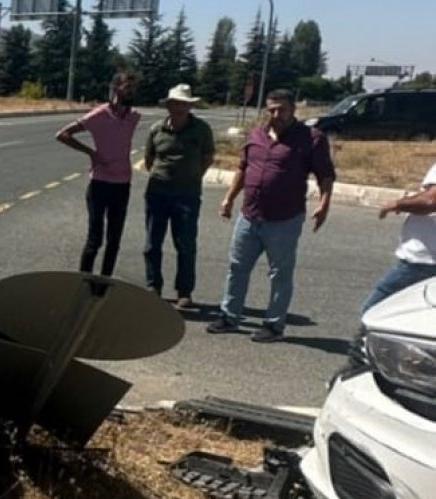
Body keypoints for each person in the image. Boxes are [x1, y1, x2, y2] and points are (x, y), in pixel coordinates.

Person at [208, 89, 336, 343]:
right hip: (249, 215)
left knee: (280, 273)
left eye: (282, 109)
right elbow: (243, 169)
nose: (276, 114)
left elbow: (325, 175)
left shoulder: (311, 138)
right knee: (237, 267)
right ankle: (229, 316)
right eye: (271, 109)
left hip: (284, 219)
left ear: (293, 110)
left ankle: (274, 325)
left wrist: (324, 204)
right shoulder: (256, 134)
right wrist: (229, 198)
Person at [55, 72, 141, 277]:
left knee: (114, 239)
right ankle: (83, 280)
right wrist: (90, 152)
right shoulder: (99, 114)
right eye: (127, 87)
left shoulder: (134, 116)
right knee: (95, 237)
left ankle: (104, 283)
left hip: (122, 184)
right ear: (116, 88)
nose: (131, 91)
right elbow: (62, 135)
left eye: (134, 88)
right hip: (100, 183)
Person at [142, 83, 215, 309]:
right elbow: (149, 160)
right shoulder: (156, 129)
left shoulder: (201, 129)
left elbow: (208, 157)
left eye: (184, 104)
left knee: (185, 244)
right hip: (157, 194)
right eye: (175, 103)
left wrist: (193, 176)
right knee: (152, 243)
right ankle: (153, 286)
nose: (179, 107)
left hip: (187, 195)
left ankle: (184, 291)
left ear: (189, 106)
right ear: (169, 105)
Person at [361, 162, 436, 314]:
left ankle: (367, 338)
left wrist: (398, 204)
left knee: (374, 312)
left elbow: (430, 201)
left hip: (422, 261)